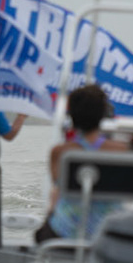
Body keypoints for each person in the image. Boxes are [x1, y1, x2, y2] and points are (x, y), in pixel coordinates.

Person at [39, 84, 126, 241]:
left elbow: (58, 188)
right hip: (108, 233)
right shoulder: (122, 151)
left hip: (65, 231)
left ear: (71, 115)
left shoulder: (60, 152)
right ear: (103, 115)